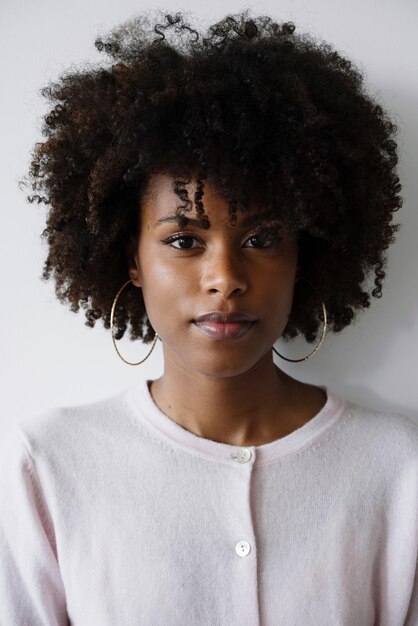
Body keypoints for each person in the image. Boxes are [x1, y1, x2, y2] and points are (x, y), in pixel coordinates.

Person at [0, 9, 417, 625]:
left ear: (306, 254)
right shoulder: (50, 466)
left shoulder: (397, 469)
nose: (225, 277)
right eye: (183, 240)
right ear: (131, 258)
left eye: (262, 237)